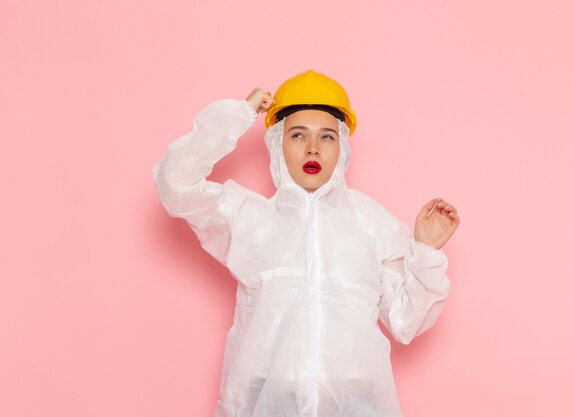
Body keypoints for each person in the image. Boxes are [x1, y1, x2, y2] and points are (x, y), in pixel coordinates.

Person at [152, 69, 460, 417]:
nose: (313, 148)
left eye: (327, 137)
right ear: (277, 142)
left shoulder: (371, 222)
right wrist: (238, 115)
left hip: (357, 402)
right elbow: (176, 183)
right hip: (266, 401)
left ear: (342, 145)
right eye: (298, 135)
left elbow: (406, 322)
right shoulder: (249, 220)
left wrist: (427, 253)